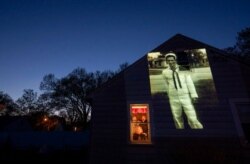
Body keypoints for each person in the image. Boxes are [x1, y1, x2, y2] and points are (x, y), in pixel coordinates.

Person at [162, 52, 203, 129]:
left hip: (185, 95)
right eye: (169, 60)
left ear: (175, 60)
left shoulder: (183, 68)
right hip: (173, 97)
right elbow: (166, 85)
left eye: (172, 60)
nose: (170, 62)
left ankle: (198, 130)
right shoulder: (165, 72)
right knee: (176, 116)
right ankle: (180, 131)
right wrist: (169, 95)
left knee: (192, 115)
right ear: (167, 61)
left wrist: (193, 95)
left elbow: (189, 83)